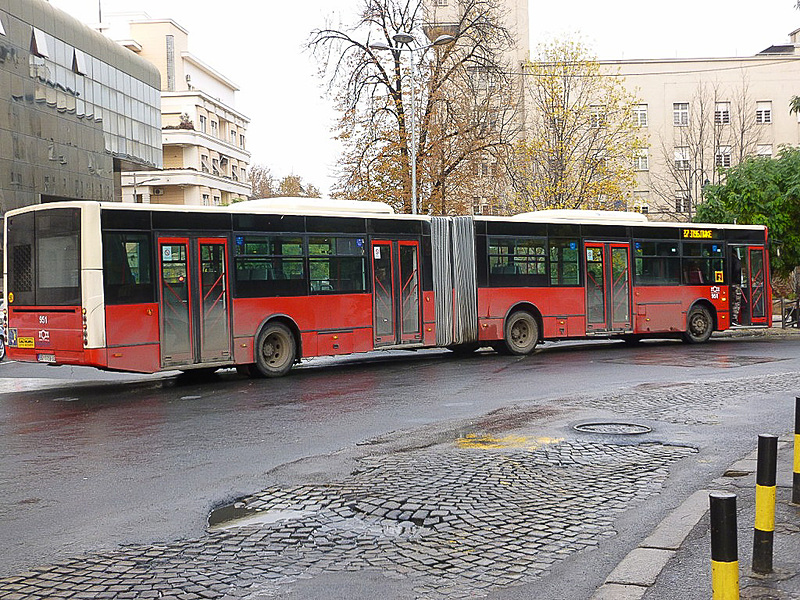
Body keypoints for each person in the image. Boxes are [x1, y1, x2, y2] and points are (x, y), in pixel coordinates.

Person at [730, 251, 742, 325]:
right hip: (735, 283)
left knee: (730, 301)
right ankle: (734, 318)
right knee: (736, 301)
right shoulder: (736, 261)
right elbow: (737, 270)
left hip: (728, 284)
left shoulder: (726, 259)